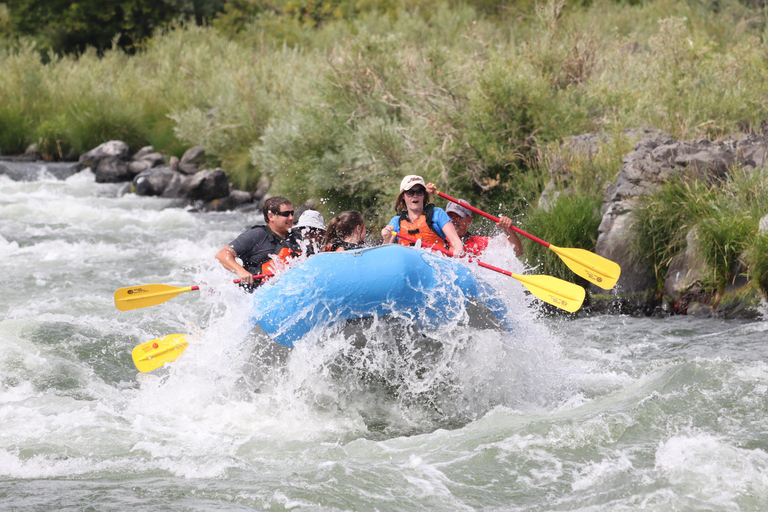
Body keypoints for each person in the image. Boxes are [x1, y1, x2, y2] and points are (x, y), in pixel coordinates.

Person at [215, 196, 302, 286]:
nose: (291, 218)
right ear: (271, 216)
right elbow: (222, 254)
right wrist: (241, 271)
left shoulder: (298, 238)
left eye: (292, 213)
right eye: (286, 214)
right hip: (257, 293)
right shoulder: (257, 235)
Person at [381, 175, 464, 256]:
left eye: (419, 192)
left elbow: (456, 241)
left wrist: (458, 250)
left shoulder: (437, 214)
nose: (415, 195)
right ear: (403, 196)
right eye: (410, 192)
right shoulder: (396, 222)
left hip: (437, 265)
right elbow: (385, 255)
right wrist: (386, 239)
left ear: (424, 195)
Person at [442, 199, 524, 257]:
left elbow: (516, 251)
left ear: (469, 220)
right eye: (450, 216)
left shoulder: (478, 243)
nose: (453, 220)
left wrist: (509, 229)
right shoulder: (437, 237)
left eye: (458, 217)